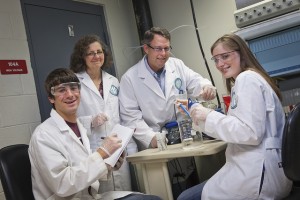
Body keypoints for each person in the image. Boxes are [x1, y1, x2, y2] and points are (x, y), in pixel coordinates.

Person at [177, 33, 292, 200]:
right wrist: (197, 112)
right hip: (263, 168)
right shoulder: (250, 79)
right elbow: (241, 125)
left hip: (258, 173)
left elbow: (249, 132)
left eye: (225, 56)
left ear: (241, 53)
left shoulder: (247, 79)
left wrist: (207, 115)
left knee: (186, 198)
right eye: (215, 59)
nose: (220, 64)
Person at [28, 68, 161, 200]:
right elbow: (63, 184)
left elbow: (84, 172)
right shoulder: (43, 135)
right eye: (62, 90)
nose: (70, 95)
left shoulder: (79, 127)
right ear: (51, 98)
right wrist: (102, 153)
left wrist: (109, 165)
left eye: (74, 88)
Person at [118, 27, 216, 149]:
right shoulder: (130, 78)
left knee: (189, 168)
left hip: (183, 135)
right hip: (155, 142)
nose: (163, 54)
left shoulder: (177, 65)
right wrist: (151, 138)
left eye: (166, 48)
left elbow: (196, 81)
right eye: (158, 49)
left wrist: (206, 87)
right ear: (146, 48)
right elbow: (130, 117)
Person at [70, 35, 137, 192]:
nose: (96, 56)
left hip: (117, 148)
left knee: (122, 192)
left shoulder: (113, 80)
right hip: (93, 148)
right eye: (90, 53)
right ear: (82, 57)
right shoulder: (74, 82)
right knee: (101, 193)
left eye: (99, 52)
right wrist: (90, 122)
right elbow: (68, 120)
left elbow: (123, 114)